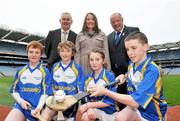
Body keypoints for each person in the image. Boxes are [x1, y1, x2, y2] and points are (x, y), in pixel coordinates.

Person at [90, 31, 167, 121]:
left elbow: (135, 102)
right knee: (119, 117)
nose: (130, 53)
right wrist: (124, 76)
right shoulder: (131, 64)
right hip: (137, 108)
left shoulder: (152, 71)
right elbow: (134, 76)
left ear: (145, 47)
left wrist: (105, 92)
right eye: (127, 49)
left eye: (133, 48)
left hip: (152, 114)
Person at [5, 41, 52, 121]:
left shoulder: (45, 71)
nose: (34, 54)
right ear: (27, 53)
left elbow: (45, 93)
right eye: (31, 52)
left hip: (37, 109)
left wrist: (39, 108)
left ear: (40, 55)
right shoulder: (20, 70)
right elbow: (14, 90)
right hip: (21, 107)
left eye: (37, 52)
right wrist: (21, 101)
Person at [42, 41, 85, 121]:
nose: (65, 53)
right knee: (45, 115)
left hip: (70, 104)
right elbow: (51, 85)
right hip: (56, 101)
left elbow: (80, 89)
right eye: (62, 51)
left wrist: (72, 100)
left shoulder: (77, 68)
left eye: (68, 51)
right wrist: (55, 95)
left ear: (72, 53)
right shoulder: (55, 66)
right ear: (59, 52)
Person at [108, 12, 140, 110]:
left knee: (134, 102)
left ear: (122, 20)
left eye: (118, 20)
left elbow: (139, 49)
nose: (116, 23)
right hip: (117, 76)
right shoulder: (108, 37)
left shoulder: (133, 30)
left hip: (131, 73)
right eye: (113, 22)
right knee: (121, 102)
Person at [76, 48, 117, 121]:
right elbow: (84, 98)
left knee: (87, 115)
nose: (94, 62)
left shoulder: (110, 76)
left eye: (97, 59)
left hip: (108, 112)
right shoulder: (87, 77)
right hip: (92, 109)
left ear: (103, 61)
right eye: (91, 60)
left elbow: (109, 102)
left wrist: (88, 106)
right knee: (82, 113)